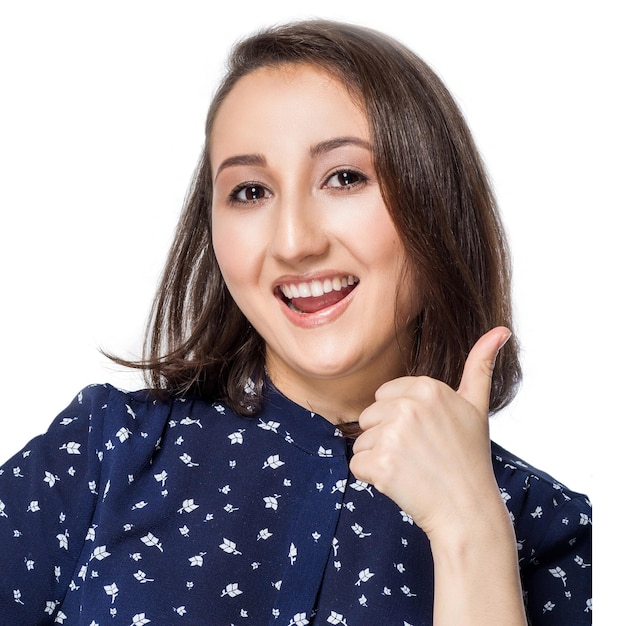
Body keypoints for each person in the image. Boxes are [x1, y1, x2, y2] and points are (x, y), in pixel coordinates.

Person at [0, 19, 591, 626]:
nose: (293, 242)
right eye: (251, 191)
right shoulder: (103, 452)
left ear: (435, 199)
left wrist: (471, 530)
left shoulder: (558, 537)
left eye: (345, 177)